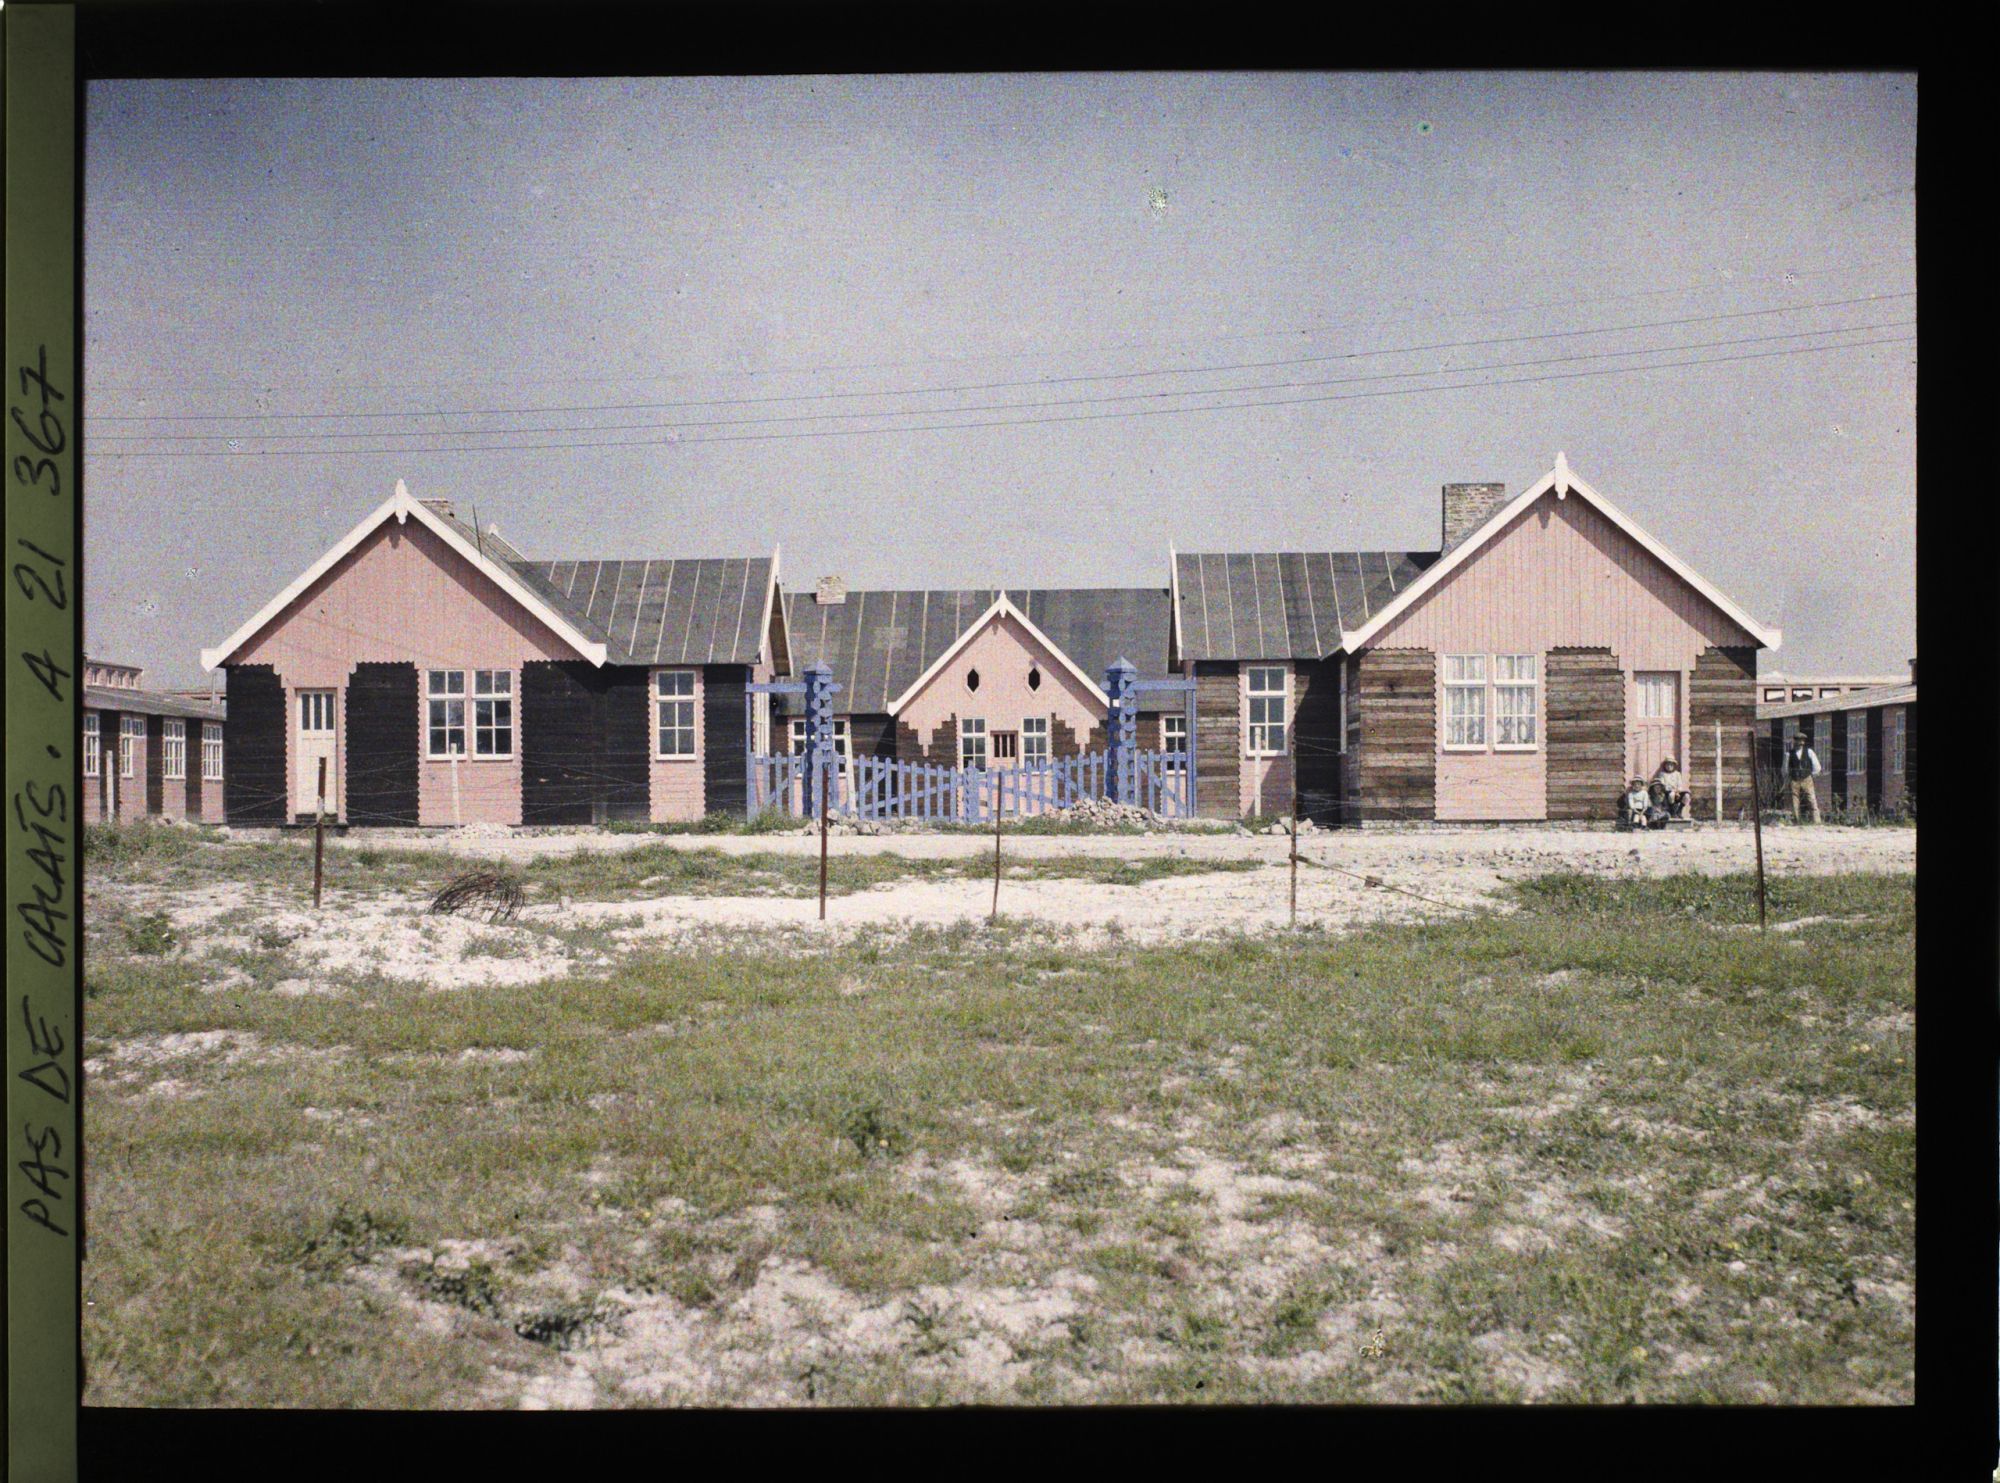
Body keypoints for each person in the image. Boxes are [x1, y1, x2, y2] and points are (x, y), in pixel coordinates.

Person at [1783, 732, 1822, 823]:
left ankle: (1817, 821)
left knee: (1811, 799)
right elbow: (1785, 769)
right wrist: (1788, 778)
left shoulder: (1809, 752)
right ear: (1795, 741)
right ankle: (1797, 821)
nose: (1800, 743)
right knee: (1794, 801)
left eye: (1802, 741)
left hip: (1807, 779)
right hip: (1794, 779)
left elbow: (1817, 766)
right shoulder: (1788, 754)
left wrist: (1811, 775)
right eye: (1798, 740)